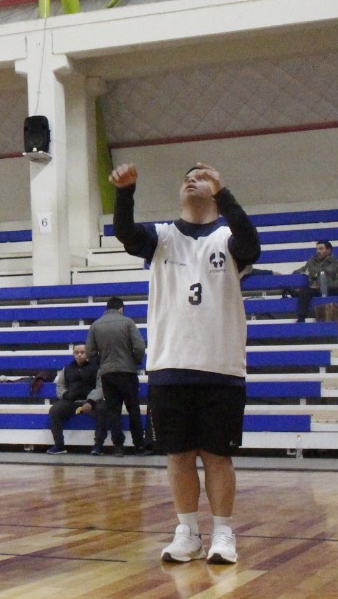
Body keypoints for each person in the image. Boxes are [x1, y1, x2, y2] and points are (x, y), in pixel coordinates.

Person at [110, 162, 259, 566]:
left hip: (221, 365)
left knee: (217, 455)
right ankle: (187, 531)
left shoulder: (229, 237)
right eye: (186, 177)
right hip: (169, 365)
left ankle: (223, 533)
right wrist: (125, 193)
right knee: (177, 455)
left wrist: (224, 193)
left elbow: (252, 243)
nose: (192, 179)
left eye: (202, 176)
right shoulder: (162, 237)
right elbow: (125, 233)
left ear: (216, 190)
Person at [86, 296, 148, 454]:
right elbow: (140, 347)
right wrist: (135, 361)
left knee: (113, 410)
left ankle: (118, 446)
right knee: (133, 408)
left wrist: (102, 363)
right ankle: (139, 445)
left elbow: (90, 352)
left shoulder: (95, 325)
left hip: (107, 373)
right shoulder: (128, 322)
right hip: (127, 372)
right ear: (121, 308)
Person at [44, 344, 102, 454]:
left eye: (82, 352)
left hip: (91, 402)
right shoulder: (67, 369)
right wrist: (65, 395)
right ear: (73, 354)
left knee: (102, 410)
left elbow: (101, 387)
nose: (79, 355)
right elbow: (60, 386)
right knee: (54, 410)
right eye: (76, 352)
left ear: (88, 353)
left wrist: (90, 401)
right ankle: (59, 445)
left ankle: (98, 446)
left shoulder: (97, 368)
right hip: (71, 401)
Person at [294, 240, 338, 328]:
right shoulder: (310, 263)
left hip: (332, 289)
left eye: (321, 249)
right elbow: (299, 272)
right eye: (317, 249)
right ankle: (301, 319)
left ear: (329, 250)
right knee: (304, 291)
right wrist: (299, 274)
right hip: (316, 289)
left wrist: (324, 285)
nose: (318, 251)